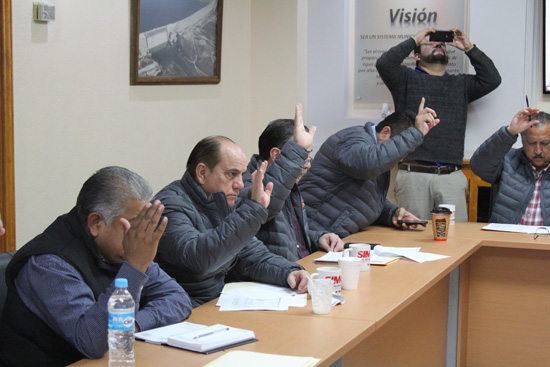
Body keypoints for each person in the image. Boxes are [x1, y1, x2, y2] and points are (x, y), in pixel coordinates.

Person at [0, 166, 192, 366]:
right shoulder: (48, 263)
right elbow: (93, 340)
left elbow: (178, 299)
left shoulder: (122, 247)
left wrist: (131, 324)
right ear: (96, 223)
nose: (141, 235)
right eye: (134, 225)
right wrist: (134, 267)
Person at [154, 136, 309, 308]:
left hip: (215, 304)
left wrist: (288, 272)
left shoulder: (222, 200)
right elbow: (199, 259)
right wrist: (252, 209)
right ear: (202, 173)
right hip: (184, 310)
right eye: (231, 174)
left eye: (242, 175)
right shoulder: (169, 206)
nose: (240, 185)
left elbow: (250, 254)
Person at [376, 27, 501, 222]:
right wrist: (414, 40)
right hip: (413, 175)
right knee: (411, 240)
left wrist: (469, 48)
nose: (438, 44)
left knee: (455, 242)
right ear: (416, 55)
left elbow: (492, 79)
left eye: (442, 43)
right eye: (431, 42)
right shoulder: (405, 79)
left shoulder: (461, 84)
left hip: (450, 177)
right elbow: (384, 64)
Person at [299, 99, 439, 238]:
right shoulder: (353, 139)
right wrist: (414, 134)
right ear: (385, 132)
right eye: (403, 152)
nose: (401, 159)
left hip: (330, 236)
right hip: (310, 232)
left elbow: (365, 197)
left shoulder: (378, 154)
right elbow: (367, 164)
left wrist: (392, 213)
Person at [245, 105, 344, 261]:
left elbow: (291, 237)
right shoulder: (250, 185)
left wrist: (319, 238)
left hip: (303, 266)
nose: (308, 164)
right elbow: (264, 214)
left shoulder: (289, 182)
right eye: (303, 156)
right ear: (276, 155)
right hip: (281, 276)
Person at [470, 108, 550, 225]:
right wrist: (509, 132)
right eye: (532, 142)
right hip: (506, 240)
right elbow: (478, 166)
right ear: (522, 140)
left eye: (545, 143)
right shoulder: (508, 159)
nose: (538, 150)